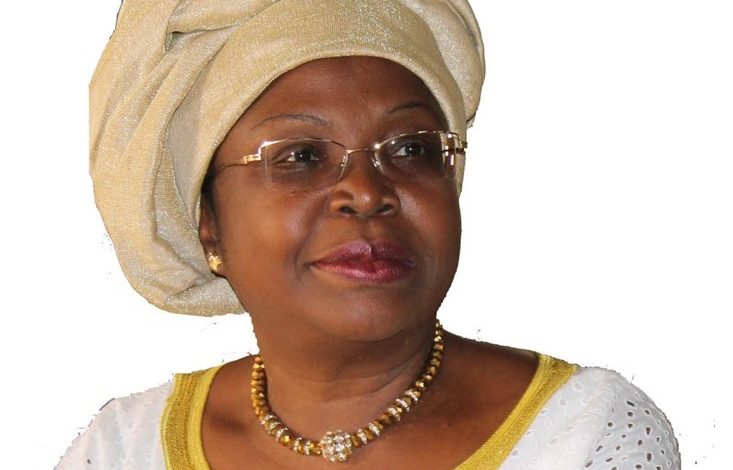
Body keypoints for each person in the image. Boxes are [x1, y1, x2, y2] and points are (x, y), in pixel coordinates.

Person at [59, 1, 680, 468]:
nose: (365, 190)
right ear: (209, 226)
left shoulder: (582, 435)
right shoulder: (123, 450)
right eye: (301, 156)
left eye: (411, 149)